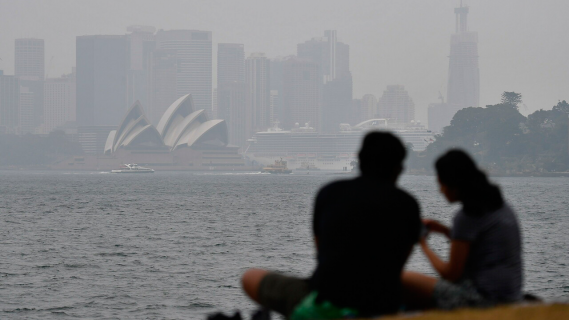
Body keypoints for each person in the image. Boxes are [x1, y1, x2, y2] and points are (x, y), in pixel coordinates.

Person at [241, 132, 422, 319]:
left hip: (325, 296)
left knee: (250, 277)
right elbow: (400, 261)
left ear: (359, 160)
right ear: (398, 168)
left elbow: (321, 251)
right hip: (382, 302)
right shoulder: (408, 204)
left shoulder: (330, 192)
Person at [402, 149, 523, 310]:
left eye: (441, 184)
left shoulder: (466, 216)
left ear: (453, 185)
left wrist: (422, 243)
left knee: (401, 280)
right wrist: (445, 231)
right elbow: (479, 244)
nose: (440, 191)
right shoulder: (501, 206)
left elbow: (451, 274)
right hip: (510, 296)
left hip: (483, 300)